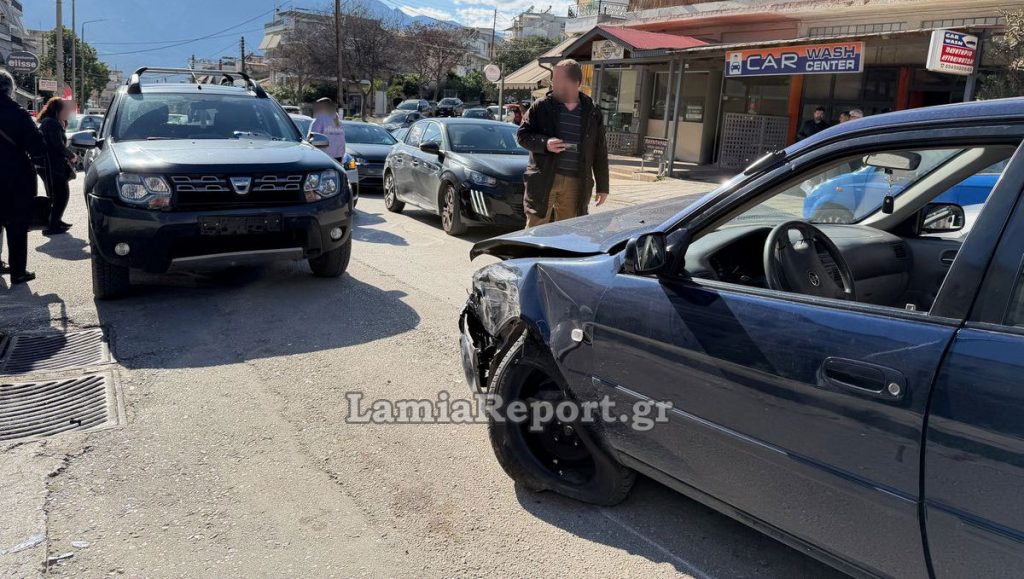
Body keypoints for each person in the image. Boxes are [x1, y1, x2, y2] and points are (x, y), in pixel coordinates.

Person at [516, 59, 609, 228]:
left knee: (567, 232)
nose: (554, 83)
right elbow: (523, 136)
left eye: (558, 80)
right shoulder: (541, 106)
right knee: (536, 230)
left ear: (576, 82)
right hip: (544, 178)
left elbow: (600, 151)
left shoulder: (592, 111)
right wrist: (545, 143)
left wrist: (603, 186)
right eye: (554, 79)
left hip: (577, 181)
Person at [0, 69, 46, 284]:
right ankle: (18, 271)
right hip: (15, 176)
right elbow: (37, 146)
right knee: (17, 224)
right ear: (10, 89)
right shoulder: (17, 113)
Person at [36, 96, 76, 235]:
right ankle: (52, 225)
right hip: (51, 166)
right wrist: (72, 155)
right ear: (57, 110)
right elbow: (57, 145)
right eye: (65, 109)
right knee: (60, 195)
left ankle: (55, 221)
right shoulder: (51, 123)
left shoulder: (52, 122)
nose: (68, 111)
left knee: (56, 195)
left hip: (51, 165)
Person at [309, 97, 346, 163]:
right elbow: (341, 140)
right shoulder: (337, 120)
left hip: (324, 157)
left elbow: (313, 139)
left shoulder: (320, 119)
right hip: (339, 156)